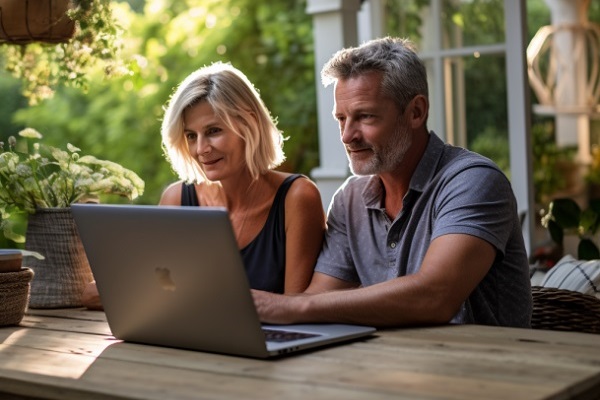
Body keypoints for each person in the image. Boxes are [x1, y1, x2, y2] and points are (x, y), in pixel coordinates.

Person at [252, 37, 533, 328]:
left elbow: (435, 297)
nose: (347, 136)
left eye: (365, 116)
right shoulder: (350, 200)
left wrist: (289, 305)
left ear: (416, 112)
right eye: (341, 118)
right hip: (390, 367)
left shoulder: (473, 181)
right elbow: (320, 299)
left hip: (486, 368)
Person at [82, 62, 325, 309]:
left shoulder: (297, 198)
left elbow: (296, 310)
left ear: (249, 124)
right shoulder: (176, 200)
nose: (201, 149)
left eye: (213, 131)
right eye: (191, 136)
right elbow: (153, 295)